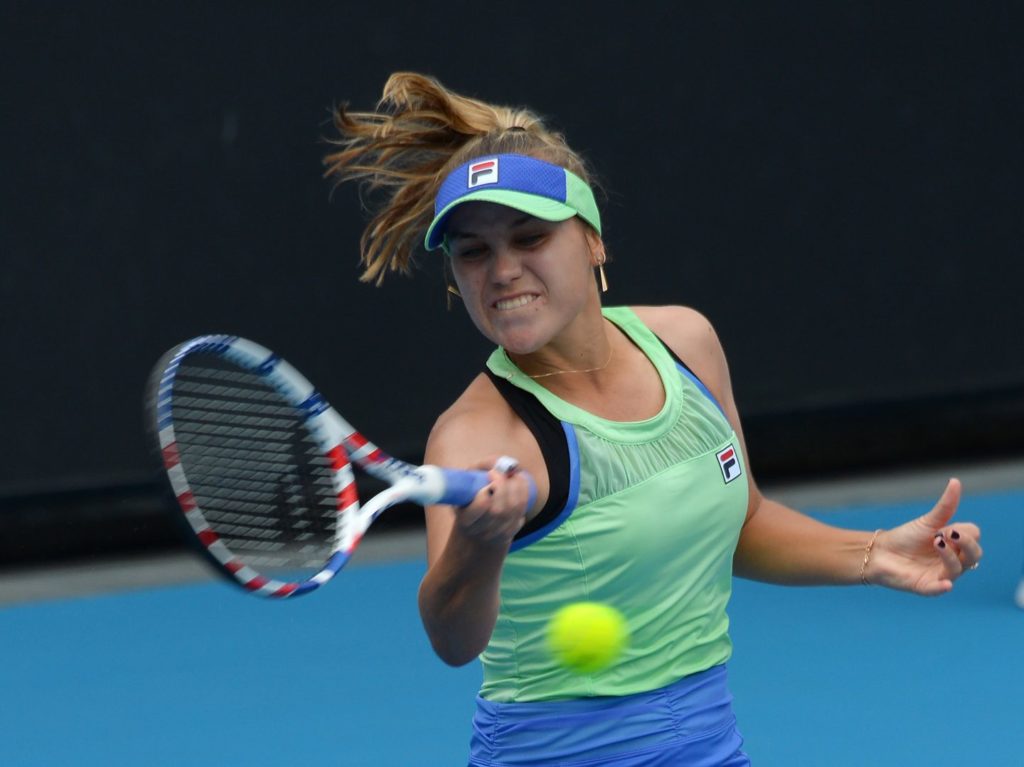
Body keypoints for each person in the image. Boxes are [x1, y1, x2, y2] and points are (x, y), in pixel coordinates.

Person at [323, 72, 984, 766]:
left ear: (593, 241)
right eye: (473, 252)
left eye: (530, 237)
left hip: (711, 747)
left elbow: (744, 521)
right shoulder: (475, 434)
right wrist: (480, 543)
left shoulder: (686, 342)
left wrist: (875, 552)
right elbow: (453, 639)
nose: (503, 270)